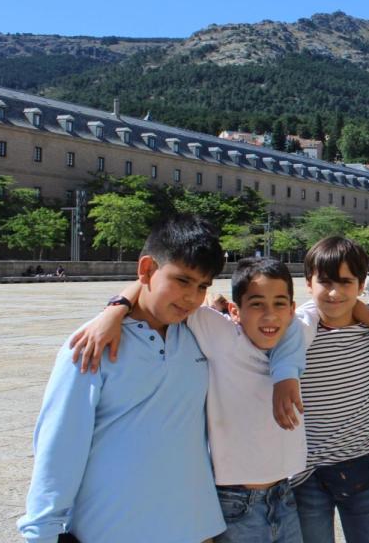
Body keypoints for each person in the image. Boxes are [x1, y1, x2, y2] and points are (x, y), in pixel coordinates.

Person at [17, 215, 260, 542]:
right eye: (182, 280)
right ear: (146, 270)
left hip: (195, 526)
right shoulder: (91, 346)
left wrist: (119, 304)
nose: (192, 297)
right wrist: (41, 534)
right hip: (112, 528)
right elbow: (59, 449)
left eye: (202, 286)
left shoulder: (199, 334)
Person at [72, 257, 310, 542]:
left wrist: (285, 373)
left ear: (292, 309)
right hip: (235, 501)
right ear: (235, 311)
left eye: (280, 304)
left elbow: (315, 313)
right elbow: (157, 280)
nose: (270, 316)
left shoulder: (296, 331)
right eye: (257, 303)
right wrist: (117, 307)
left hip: (284, 494)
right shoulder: (222, 338)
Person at [291, 237, 369, 543]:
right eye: (325, 282)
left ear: (362, 285)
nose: (335, 292)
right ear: (309, 283)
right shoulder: (297, 329)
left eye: (346, 282)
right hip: (305, 472)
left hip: (361, 466)